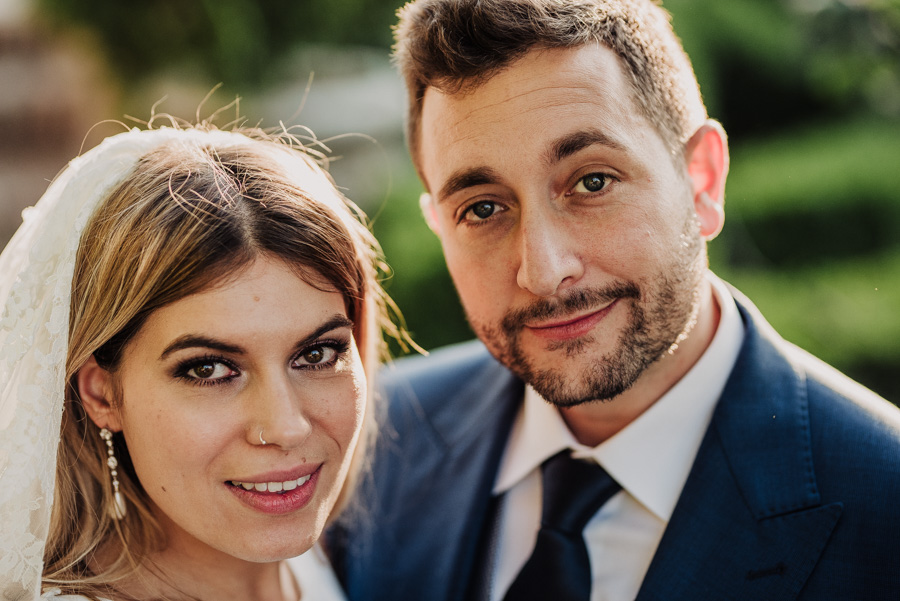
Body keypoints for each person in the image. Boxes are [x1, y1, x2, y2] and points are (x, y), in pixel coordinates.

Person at [328, 1, 900, 600]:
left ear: (701, 180)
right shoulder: (368, 445)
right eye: (483, 209)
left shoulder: (883, 509)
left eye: (592, 182)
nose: (545, 272)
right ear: (440, 227)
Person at [0, 123, 403, 600]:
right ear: (101, 393)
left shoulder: (314, 564)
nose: (286, 426)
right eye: (209, 369)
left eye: (316, 354)